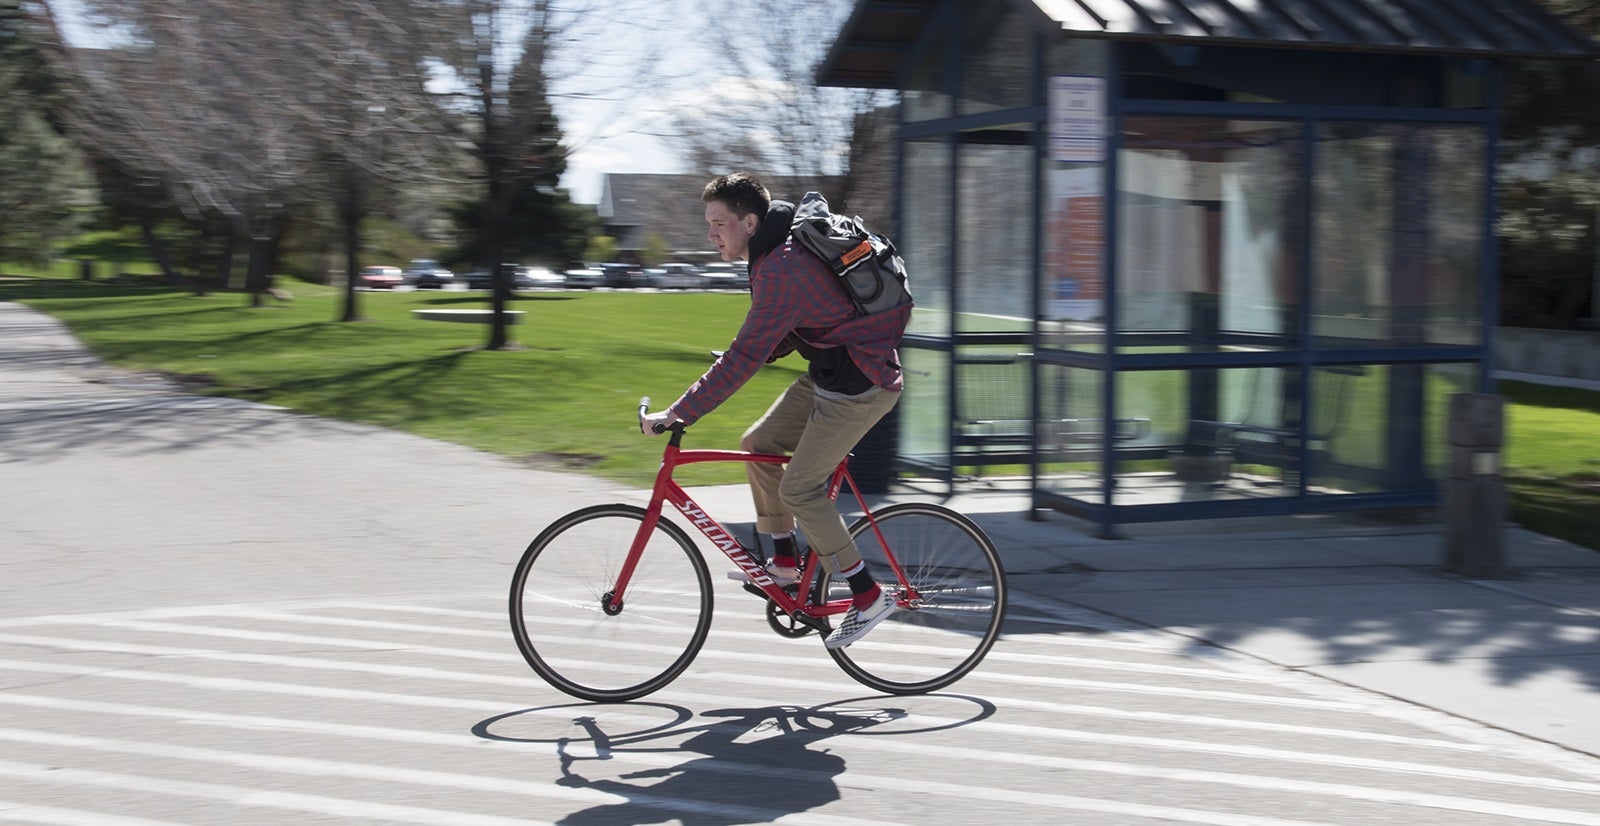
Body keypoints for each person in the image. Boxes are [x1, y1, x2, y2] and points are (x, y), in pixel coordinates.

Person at [641, 172, 910, 649]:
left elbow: (747, 357)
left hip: (861, 383)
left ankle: (867, 596)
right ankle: (785, 565)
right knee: (758, 444)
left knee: (801, 489)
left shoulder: (781, 267)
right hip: (834, 371)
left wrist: (680, 411)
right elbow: (787, 329)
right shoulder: (773, 255)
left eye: (718, 223)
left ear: (749, 222)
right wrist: (741, 356)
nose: (711, 234)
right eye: (708, 223)